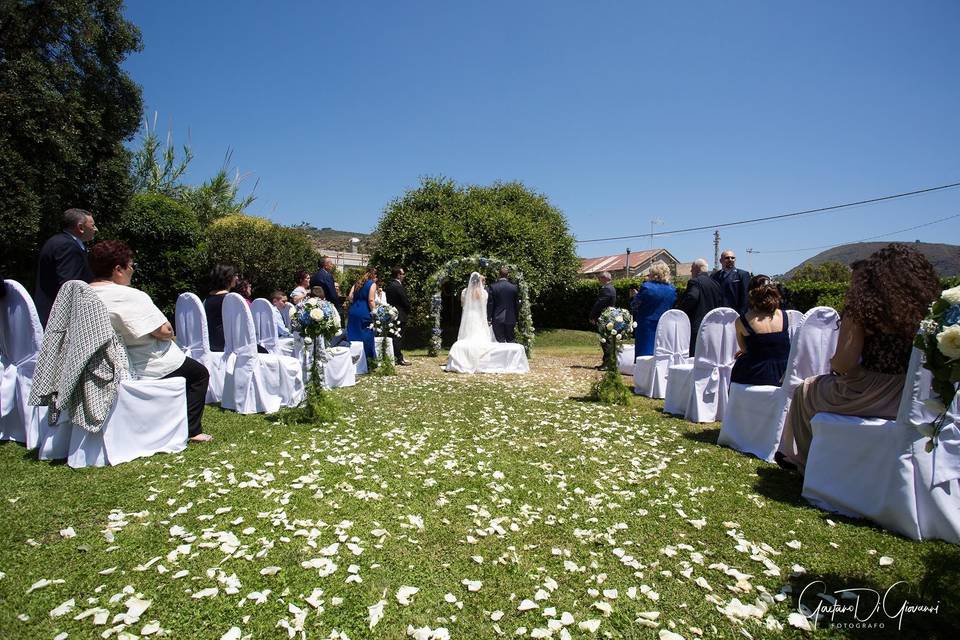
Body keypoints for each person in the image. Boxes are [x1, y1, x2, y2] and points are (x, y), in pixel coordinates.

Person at [778, 244, 941, 473]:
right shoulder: (931, 311)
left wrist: (834, 363)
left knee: (806, 390)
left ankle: (806, 461)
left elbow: (845, 363)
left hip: (870, 393)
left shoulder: (864, 311)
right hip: (919, 397)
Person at [88, 241, 212, 442]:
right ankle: (192, 430)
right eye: (131, 266)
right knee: (199, 374)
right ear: (118, 269)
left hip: (101, 366)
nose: (132, 271)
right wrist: (167, 328)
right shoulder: (128, 295)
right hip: (146, 363)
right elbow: (163, 331)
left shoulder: (83, 295)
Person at [34, 208, 97, 326]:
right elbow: (70, 285)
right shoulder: (67, 246)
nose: (95, 229)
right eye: (92, 225)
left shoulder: (58, 241)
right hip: (60, 320)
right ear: (80, 227)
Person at [730, 275, 791, 386]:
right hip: (784, 374)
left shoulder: (742, 321)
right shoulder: (785, 315)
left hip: (757, 375)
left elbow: (744, 349)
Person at [446, 272, 497, 373]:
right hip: (479, 316)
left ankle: (465, 358)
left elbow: (463, 304)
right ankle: (480, 360)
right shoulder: (484, 293)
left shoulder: (465, 292)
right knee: (480, 335)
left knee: (468, 335)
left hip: (469, 315)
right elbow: (485, 305)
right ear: (479, 281)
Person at [676, 259, 723, 356]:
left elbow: (692, 297)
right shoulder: (716, 284)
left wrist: (681, 310)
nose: (690, 271)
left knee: (694, 355)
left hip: (697, 325)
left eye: (692, 269)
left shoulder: (695, 282)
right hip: (713, 325)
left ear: (697, 269)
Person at [631, 262, 677, 357]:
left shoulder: (646, 287)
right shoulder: (672, 290)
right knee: (661, 353)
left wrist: (634, 296)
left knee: (645, 354)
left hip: (646, 325)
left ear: (653, 273)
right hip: (665, 325)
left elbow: (634, 305)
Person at [346, 266, 378, 360]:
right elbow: (371, 300)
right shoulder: (372, 284)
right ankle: (368, 359)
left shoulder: (357, 283)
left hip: (353, 310)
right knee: (366, 335)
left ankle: (352, 358)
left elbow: (350, 297)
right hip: (364, 311)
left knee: (353, 334)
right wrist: (375, 312)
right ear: (373, 275)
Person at [204, 264, 238, 352]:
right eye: (235, 275)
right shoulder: (231, 300)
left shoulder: (206, 300)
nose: (237, 278)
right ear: (228, 278)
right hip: (228, 346)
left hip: (210, 345)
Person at [589, 271, 617, 368]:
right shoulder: (611, 288)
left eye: (600, 278)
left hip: (604, 318)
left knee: (605, 340)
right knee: (607, 340)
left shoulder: (607, 289)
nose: (598, 280)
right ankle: (608, 362)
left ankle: (607, 363)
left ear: (605, 278)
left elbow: (599, 304)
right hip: (609, 317)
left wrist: (592, 316)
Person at [384, 266, 412, 365]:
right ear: (398, 275)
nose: (404, 276)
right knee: (398, 337)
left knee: (392, 336)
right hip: (400, 314)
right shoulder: (398, 286)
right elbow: (405, 301)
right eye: (403, 274)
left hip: (392, 314)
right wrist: (409, 309)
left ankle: (392, 356)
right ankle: (398, 358)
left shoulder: (389, 286)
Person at [711, 249, 751, 316]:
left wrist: (741, 316)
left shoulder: (742, 275)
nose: (730, 259)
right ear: (721, 261)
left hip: (735, 315)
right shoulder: (714, 276)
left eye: (733, 258)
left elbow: (745, 298)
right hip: (718, 315)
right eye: (727, 258)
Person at [487, 266, 521, 343]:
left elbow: (490, 304)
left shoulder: (493, 287)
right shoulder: (514, 288)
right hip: (511, 318)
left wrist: (489, 317)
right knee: (511, 341)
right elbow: (516, 305)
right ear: (508, 275)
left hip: (497, 318)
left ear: (499, 275)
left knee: (499, 342)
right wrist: (516, 317)